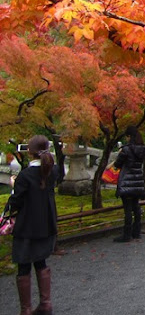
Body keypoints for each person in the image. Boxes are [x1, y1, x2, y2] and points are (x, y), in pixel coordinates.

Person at [7, 135, 64, 315]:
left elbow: (15, 202)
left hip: (27, 226)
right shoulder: (52, 170)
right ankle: (45, 304)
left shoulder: (25, 175)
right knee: (40, 261)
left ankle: (26, 309)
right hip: (45, 224)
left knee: (23, 265)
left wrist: (14, 186)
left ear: (30, 152)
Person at [113, 126, 145, 243]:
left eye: (126, 137)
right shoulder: (142, 149)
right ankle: (136, 232)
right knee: (136, 207)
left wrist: (119, 154)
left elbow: (117, 164)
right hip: (138, 181)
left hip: (127, 181)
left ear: (129, 136)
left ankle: (127, 234)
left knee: (127, 209)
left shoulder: (126, 150)